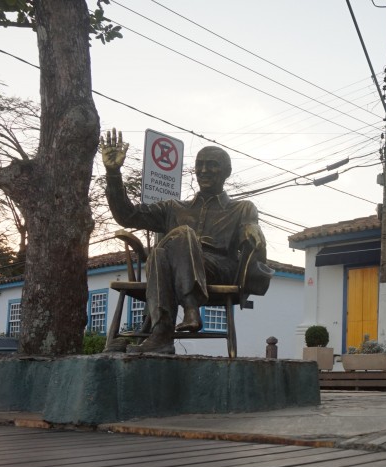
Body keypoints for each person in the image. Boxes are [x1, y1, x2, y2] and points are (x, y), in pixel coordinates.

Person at [100, 129, 271, 353]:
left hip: (219, 267)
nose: (203, 170)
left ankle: (188, 309)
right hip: (172, 268)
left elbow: (252, 243)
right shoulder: (174, 208)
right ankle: (163, 334)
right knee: (162, 252)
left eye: (212, 164)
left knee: (181, 236)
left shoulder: (241, 208)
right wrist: (113, 173)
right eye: (200, 165)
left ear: (227, 172)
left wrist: (252, 226)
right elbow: (126, 216)